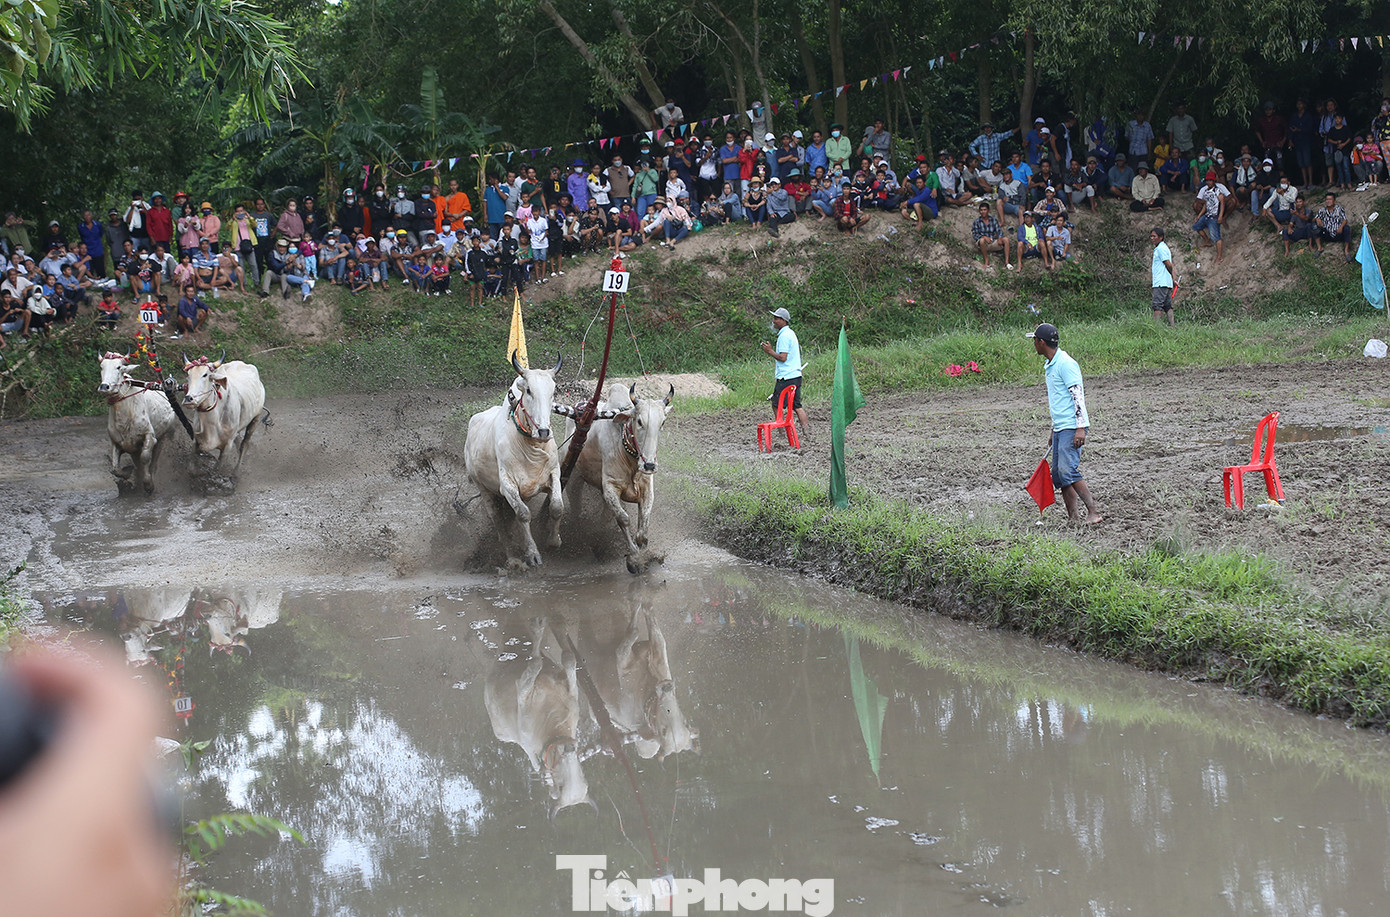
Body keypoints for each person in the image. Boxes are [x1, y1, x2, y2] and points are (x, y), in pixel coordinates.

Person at [1028, 322, 1102, 524]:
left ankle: (1093, 512)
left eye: (1034, 340)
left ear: (1041, 342)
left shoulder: (1066, 364)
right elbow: (1060, 401)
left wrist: (1080, 428)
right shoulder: (1051, 364)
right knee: (1059, 476)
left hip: (1072, 426)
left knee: (1067, 471)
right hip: (1062, 427)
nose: (1033, 344)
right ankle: (1073, 518)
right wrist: (1054, 429)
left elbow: (1077, 397)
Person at [760, 307, 809, 442]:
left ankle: (782, 432)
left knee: (776, 404)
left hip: (786, 377)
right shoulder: (790, 333)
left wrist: (769, 351)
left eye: (776, 318)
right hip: (795, 375)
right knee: (797, 406)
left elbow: (783, 357)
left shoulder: (783, 336)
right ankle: (807, 433)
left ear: (783, 320)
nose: (774, 321)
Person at [1193, 171, 1228, 262]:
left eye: (1210, 180)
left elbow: (1222, 205)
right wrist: (1199, 215)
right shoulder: (1206, 191)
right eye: (1207, 180)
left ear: (1214, 181)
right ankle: (1207, 241)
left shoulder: (1218, 191)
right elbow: (1206, 205)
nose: (1208, 182)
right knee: (1196, 227)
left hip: (1214, 216)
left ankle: (1219, 256)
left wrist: (1220, 216)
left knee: (1216, 237)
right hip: (1207, 215)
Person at [1313, 191, 1352, 261]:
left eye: (1330, 199)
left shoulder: (1339, 209)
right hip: (1327, 233)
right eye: (1327, 199)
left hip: (1338, 233)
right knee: (1314, 226)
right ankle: (1319, 248)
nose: (1328, 201)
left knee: (1347, 228)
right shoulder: (1322, 210)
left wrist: (1341, 227)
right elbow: (1315, 218)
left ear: (1334, 200)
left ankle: (1346, 251)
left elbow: (1345, 220)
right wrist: (1317, 219)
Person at [970, 202, 1011, 269]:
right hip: (983, 244)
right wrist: (983, 237)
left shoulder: (993, 220)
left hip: (993, 242)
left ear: (988, 211)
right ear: (979, 211)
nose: (983, 212)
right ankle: (986, 260)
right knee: (982, 240)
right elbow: (975, 235)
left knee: (1006, 239)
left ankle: (1007, 262)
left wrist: (1000, 237)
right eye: (981, 210)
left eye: (985, 210)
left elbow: (999, 231)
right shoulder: (977, 222)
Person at [1150, 227, 1175, 326]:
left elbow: (1168, 264)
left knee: (1157, 305)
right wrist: (1173, 279)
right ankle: (1172, 327)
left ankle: (1155, 328)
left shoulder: (1160, 249)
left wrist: (1172, 277)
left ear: (1161, 237)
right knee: (1167, 306)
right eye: (1151, 236)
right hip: (1166, 282)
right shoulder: (1163, 248)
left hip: (1160, 282)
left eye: (1154, 236)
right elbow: (1171, 265)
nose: (1152, 238)